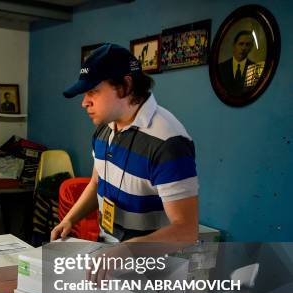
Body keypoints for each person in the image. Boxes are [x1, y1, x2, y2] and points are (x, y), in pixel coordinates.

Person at [51, 43, 198, 245]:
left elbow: (186, 231)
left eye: (92, 91)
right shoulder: (104, 128)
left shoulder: (169, 143)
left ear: (125, 86)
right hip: (108, 254)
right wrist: (70, 219)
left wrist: (127, 249)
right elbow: (96, 183)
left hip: (151, 268)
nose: (84, 102)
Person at [217, 30, 255, 95]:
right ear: (234, 45)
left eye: (247, 44)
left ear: (251, 48)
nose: (243, 48)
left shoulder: (254, 68)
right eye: (241, 44)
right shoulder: (221, 67)